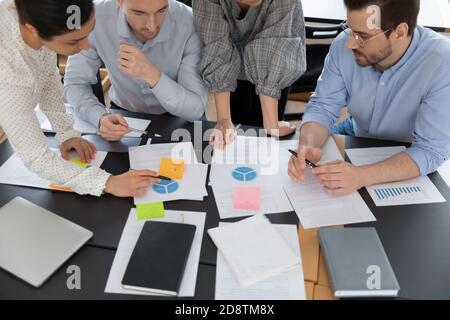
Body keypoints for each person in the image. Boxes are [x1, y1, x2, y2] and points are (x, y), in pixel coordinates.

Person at [288, 0, 450, 196]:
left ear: (399, 32)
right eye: (349, 29)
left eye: (362, 36)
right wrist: (307, 144)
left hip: (409, 148)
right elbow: (323, 106)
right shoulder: (343, 45)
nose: (350, 43)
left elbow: (430, 151)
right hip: (356, 129)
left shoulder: (442, 62)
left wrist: (361, 176)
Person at [0, 0, 160, 197]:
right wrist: (107, 182)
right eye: (73, 41)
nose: (85, 47)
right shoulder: (8, 71)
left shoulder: (39, 16)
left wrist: (66, 132)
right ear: (32, 30)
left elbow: (48, 78)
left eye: (88, 32)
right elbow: (36, 157)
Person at [64, 0, 209, 142]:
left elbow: (194, 110)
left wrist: (152, 75)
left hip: (179, 120)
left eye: (161, 10)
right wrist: (99, 117)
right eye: (139, 13)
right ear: (119, 2)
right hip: (122, 115)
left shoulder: (190, 22)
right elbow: (74, 83)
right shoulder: (92, 18)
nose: (151, 26)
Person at [193, 0, 307, 148]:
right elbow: (217, 48)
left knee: (268, 142)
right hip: (231, 69)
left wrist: (272, 124)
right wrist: (224, 119)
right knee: (237, 137)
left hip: (275, 66)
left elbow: (274, 47)